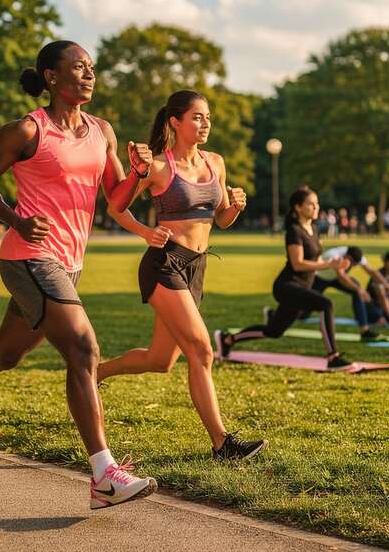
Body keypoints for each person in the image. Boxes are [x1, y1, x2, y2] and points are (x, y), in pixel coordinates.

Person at [0, 40, 158, 510]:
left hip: (68, 262)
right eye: (78, 67)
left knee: (5, 355)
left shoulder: (101, 130)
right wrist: (16, 218)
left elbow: (118, 197)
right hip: (29, 255)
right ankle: (103, 473)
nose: (89, 74)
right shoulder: (27, 130)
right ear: (51, 77)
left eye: (92, 68)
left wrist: (141, 172)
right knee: (83, 348)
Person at [96, 90, 266, 461]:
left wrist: (235, 207)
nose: (205, 124)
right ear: (175, 122)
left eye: (207, 118)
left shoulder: (215, 162)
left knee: (160, 360)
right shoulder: (158, 166)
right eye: (197, 117)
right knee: (202, 351)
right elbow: (116, 207)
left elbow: (220, 219)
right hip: (165, 264)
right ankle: (223, 444)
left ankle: (95, 373)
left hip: (196, 268)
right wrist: (145, 232)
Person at [217, 187, 356, 370]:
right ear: (298, 207)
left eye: (317, 203)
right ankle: (333, 357)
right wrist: (327, 265)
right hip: (287, 286)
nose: (316, 207)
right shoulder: (294, 231)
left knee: (274, 331)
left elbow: (316, 260)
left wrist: (334, 264)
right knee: (326, 305)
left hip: (302, 288)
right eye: (310, 204)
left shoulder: (313, 228)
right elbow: (298, 264)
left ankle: (227, 339)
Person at [317, 244, 389, 340]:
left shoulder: (358, 257)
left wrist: (387, 285)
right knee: (304, 312)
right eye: (353, 263)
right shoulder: (334, 256)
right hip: (319, 278)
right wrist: (359, 290)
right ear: (347, 257)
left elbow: (372, 272)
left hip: (336, 278)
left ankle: (364, 330)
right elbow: (341, 277)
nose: (353, 266)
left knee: (357, 292)